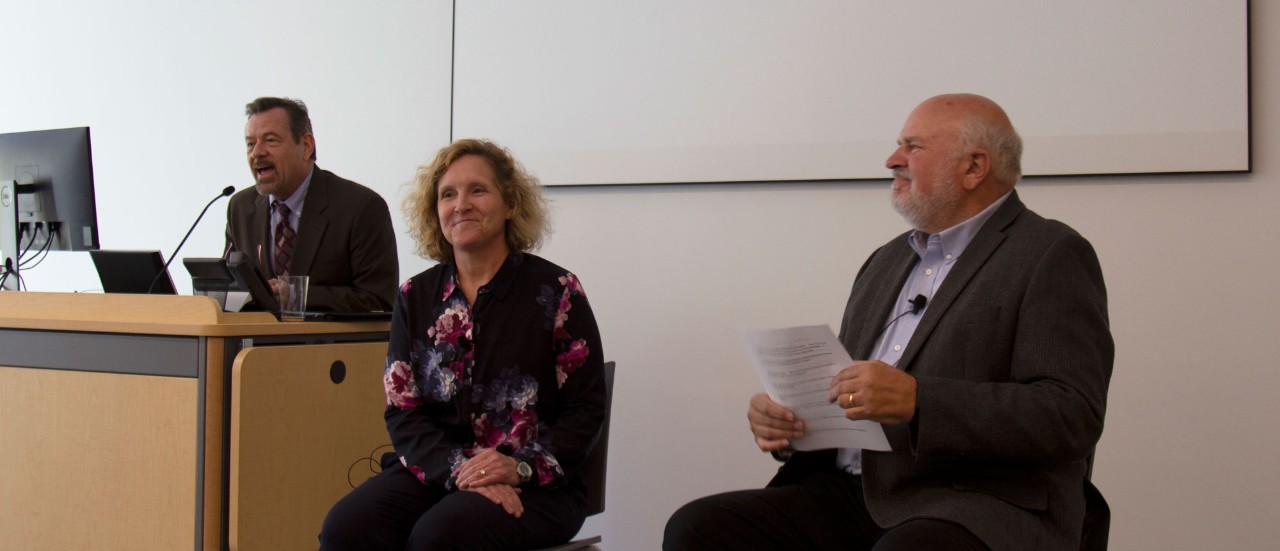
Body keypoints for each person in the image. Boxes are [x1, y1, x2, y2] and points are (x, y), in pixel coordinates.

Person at [664, 94, 1114, 551]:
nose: (892, 160)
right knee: (698, 527)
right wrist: (791, 422)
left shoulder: (1049, 254)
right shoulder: (887, 261)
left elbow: (1070, 414)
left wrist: (921, 401)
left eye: (912, 147)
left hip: (975, 503)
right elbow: (856, 396)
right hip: (853, 495)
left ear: (974, 168)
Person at [319, 138, 607, 550]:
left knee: (441, 535)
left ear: (510, 205)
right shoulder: (414, 296)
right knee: (346, 528)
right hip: (439, 472)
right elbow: (403, 412)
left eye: (478, 190)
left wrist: (516, 468)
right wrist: (461, 471)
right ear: (435, 213)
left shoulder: (557, 291)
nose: (461, 204)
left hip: (537, 483)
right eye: (448, 195)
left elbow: (586, 409)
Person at [225, 96, 398, 312]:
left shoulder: (361, 208)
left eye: (270, 140)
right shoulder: (240, 208)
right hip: (254, 345)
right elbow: (230, 288)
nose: (257, 152)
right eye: (250, 144)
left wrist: (298, 295)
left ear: (306, 146)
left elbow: (379, 300)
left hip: (327, 345)